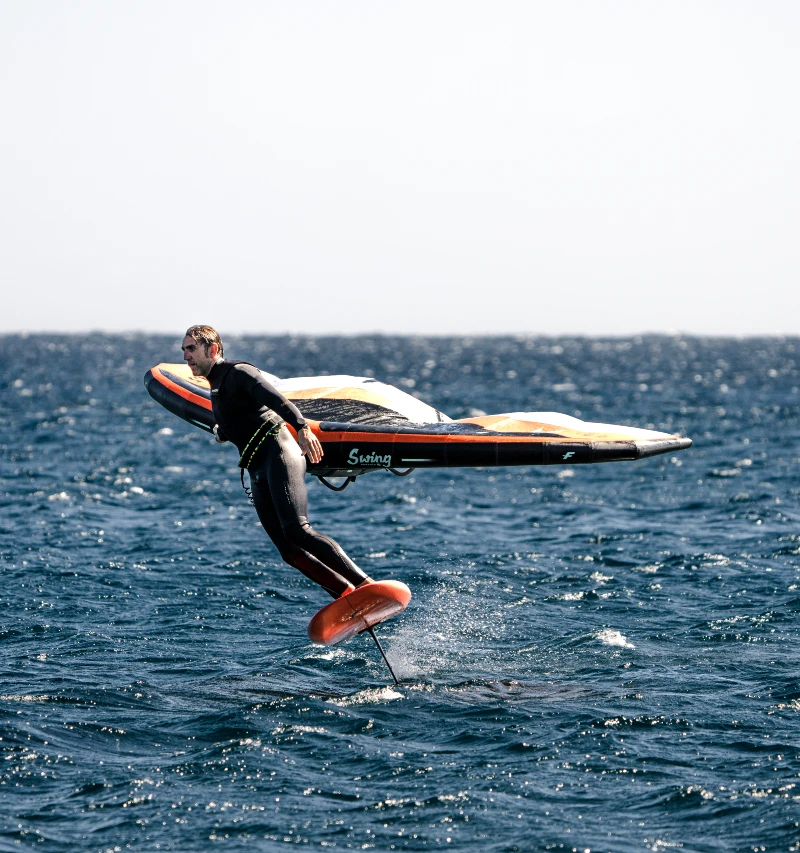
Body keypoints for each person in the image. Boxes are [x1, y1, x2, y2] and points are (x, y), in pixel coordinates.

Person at [181, 324, 372, 599]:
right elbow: (239, 414)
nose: (186, 356)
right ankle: (346, 595)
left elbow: (278, 401)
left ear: (212, 349)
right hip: (256, 466)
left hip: (278, 452)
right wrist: (225, 430)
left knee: (298, 530)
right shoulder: (215, 385)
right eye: (184, 350)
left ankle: (365, 584)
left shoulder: (239, 373)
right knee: (288, 549)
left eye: (191, 349)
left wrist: (302, 428)